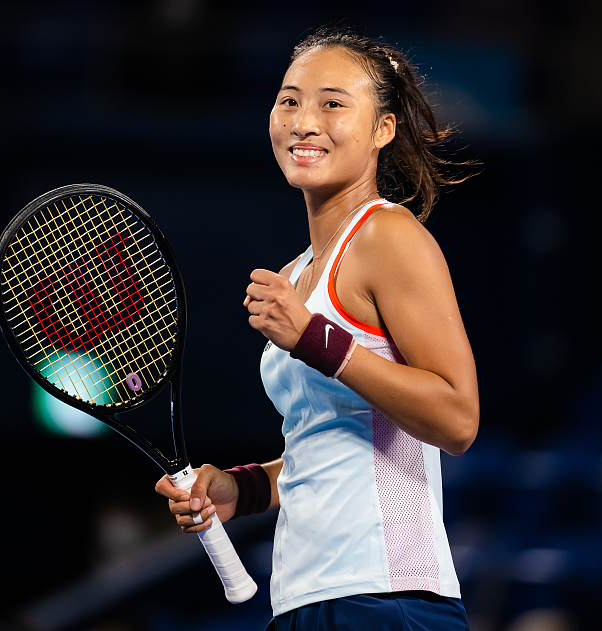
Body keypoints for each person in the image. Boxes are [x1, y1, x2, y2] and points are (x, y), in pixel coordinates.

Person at [155, 27, 479, 630]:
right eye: (289, 100)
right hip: (304, 598)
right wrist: (241, 489)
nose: (304, 121)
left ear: (382, 128)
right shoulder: (297, 274)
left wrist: (313, 339)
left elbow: (457, 419)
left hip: (386, 597)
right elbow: (324, 443)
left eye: (333, 103)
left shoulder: (389, 236)